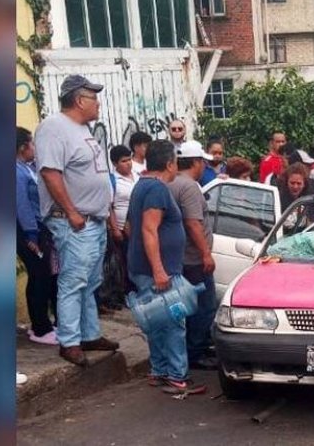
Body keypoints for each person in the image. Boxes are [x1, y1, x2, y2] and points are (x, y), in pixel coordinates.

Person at [35, 74, 119, 366]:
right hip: (74, 220)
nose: (97, 103)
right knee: (73, 281)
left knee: (90, 280)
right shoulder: (54, 128)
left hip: (92, 220)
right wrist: (71, 211)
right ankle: (69, 340)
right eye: (93, 97)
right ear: (79, 100)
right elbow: (50, 172)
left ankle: (89, 333)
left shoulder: (82, 129)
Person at [127, 140, 206, 394]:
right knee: (173, 321)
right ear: (170, 164)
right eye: (175, 163)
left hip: (145, 267)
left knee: (157, 320)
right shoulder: (157, 190)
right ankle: (176, 375)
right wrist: (159, 270)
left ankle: (160, 370)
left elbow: (132, 227)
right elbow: (149, 230)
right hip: (157, 270)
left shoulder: (142, 186)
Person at [168, 141, 219, 371]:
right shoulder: (189, 187)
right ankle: (195, 352)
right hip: (194, 258)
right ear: (196, 162)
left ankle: (191, 349)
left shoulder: (173, 183)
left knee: (188, 307)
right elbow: (193, 223)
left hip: (182, 257)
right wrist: (205, 254)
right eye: (203, 162)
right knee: (204, 306)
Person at [16, 127, 58, 345]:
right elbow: (21, 205)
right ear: (23, 147)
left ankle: (45, 322)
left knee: (46, 275)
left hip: (38, 228)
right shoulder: (15, 171)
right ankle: (40, 328)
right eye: (31, 144)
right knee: (39, 275)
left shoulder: (27, 168)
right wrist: (32, 234)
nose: (34, 148)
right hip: (28, 231)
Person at [102, 145, 138, 309]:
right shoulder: (112, 180)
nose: (128, 163)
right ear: (115, 163)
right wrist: (115, 229)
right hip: (123, 229)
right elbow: (109, 207)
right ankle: (128, 293)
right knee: (126, 262)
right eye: (124, 161)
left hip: (139, 227)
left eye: (129, 159)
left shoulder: (137, 176)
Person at [277, 163, 314, 233]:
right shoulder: (279, 197)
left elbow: (313, 222)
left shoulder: (310, 198)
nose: (295, 187)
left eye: (299, 183)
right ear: (287, 182)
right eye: (292, 183)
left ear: (304, 184)